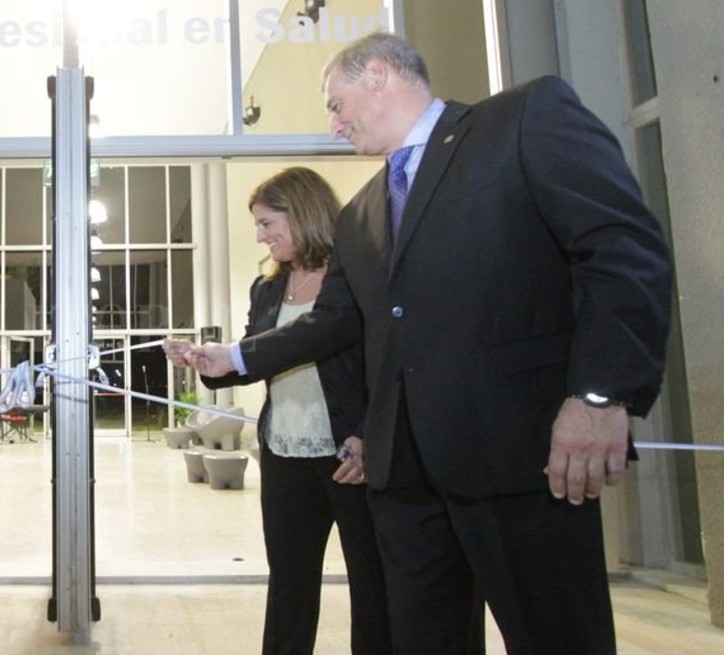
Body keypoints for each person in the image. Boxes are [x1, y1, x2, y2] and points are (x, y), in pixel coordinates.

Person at [180, 33, 672, 654]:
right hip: (406, 484)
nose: (333, 126)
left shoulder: (520, 121)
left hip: (520, 460)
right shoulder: (360, 216)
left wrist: (601, 394)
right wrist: (235, 357)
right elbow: (335, 322)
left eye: (336, 104)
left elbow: (623, 250)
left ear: (380, 75)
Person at [166, 167, 390, 654]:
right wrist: (209, 361)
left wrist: (370, 433)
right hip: (284, 453)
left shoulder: (353, 276)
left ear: (303, 212)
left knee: (373, 586)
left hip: (349, 456)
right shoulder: (266, 288)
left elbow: (381, 365)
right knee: (289, 583)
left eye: (268, 223)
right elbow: (254, 357)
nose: (260, 236)